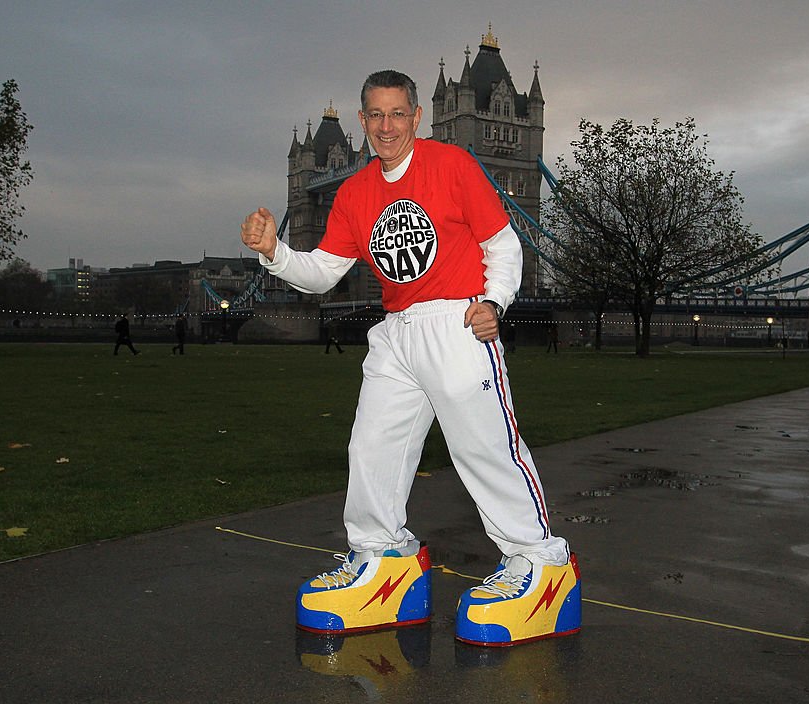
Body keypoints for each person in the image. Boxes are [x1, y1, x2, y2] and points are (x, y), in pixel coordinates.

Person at [240, 70, 579, 647]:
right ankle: (382, 562)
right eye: (376, 115)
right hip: (395, 329)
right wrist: (274, 251)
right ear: (362, 121)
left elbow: (502, 243)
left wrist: (494, 301)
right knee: (371, 447)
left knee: (484, 450)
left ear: (418, 117)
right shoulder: (353, 193)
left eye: (398, 114)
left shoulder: (451, 164)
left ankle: (541, 568)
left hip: (458, 322)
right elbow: (323, 271)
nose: (387, 126)